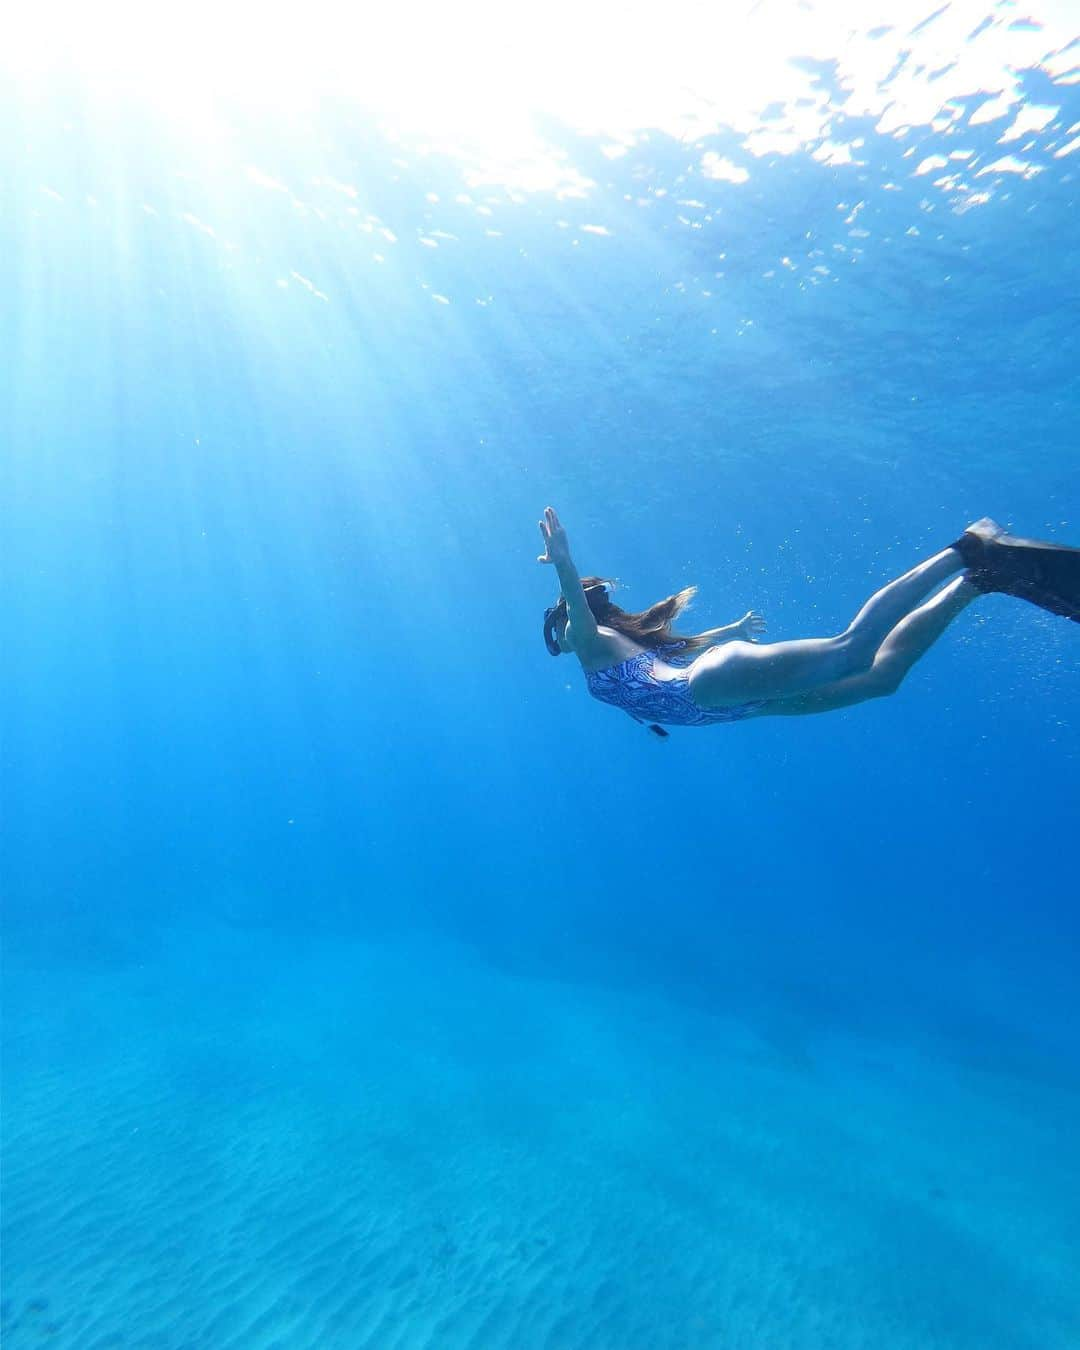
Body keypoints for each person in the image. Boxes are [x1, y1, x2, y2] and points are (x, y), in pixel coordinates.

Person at [537, 507, 1079, 731]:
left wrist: (565, 565)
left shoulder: (591, 640)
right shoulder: (622, 648)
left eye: (558, 624)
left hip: (712, 686)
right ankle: (978, 582)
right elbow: (680, 654)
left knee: (852, 649)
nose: (560, 635)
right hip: (742, 703)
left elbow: (578, 614)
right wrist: (730, 633)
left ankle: (966, 550)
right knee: (880, 679)